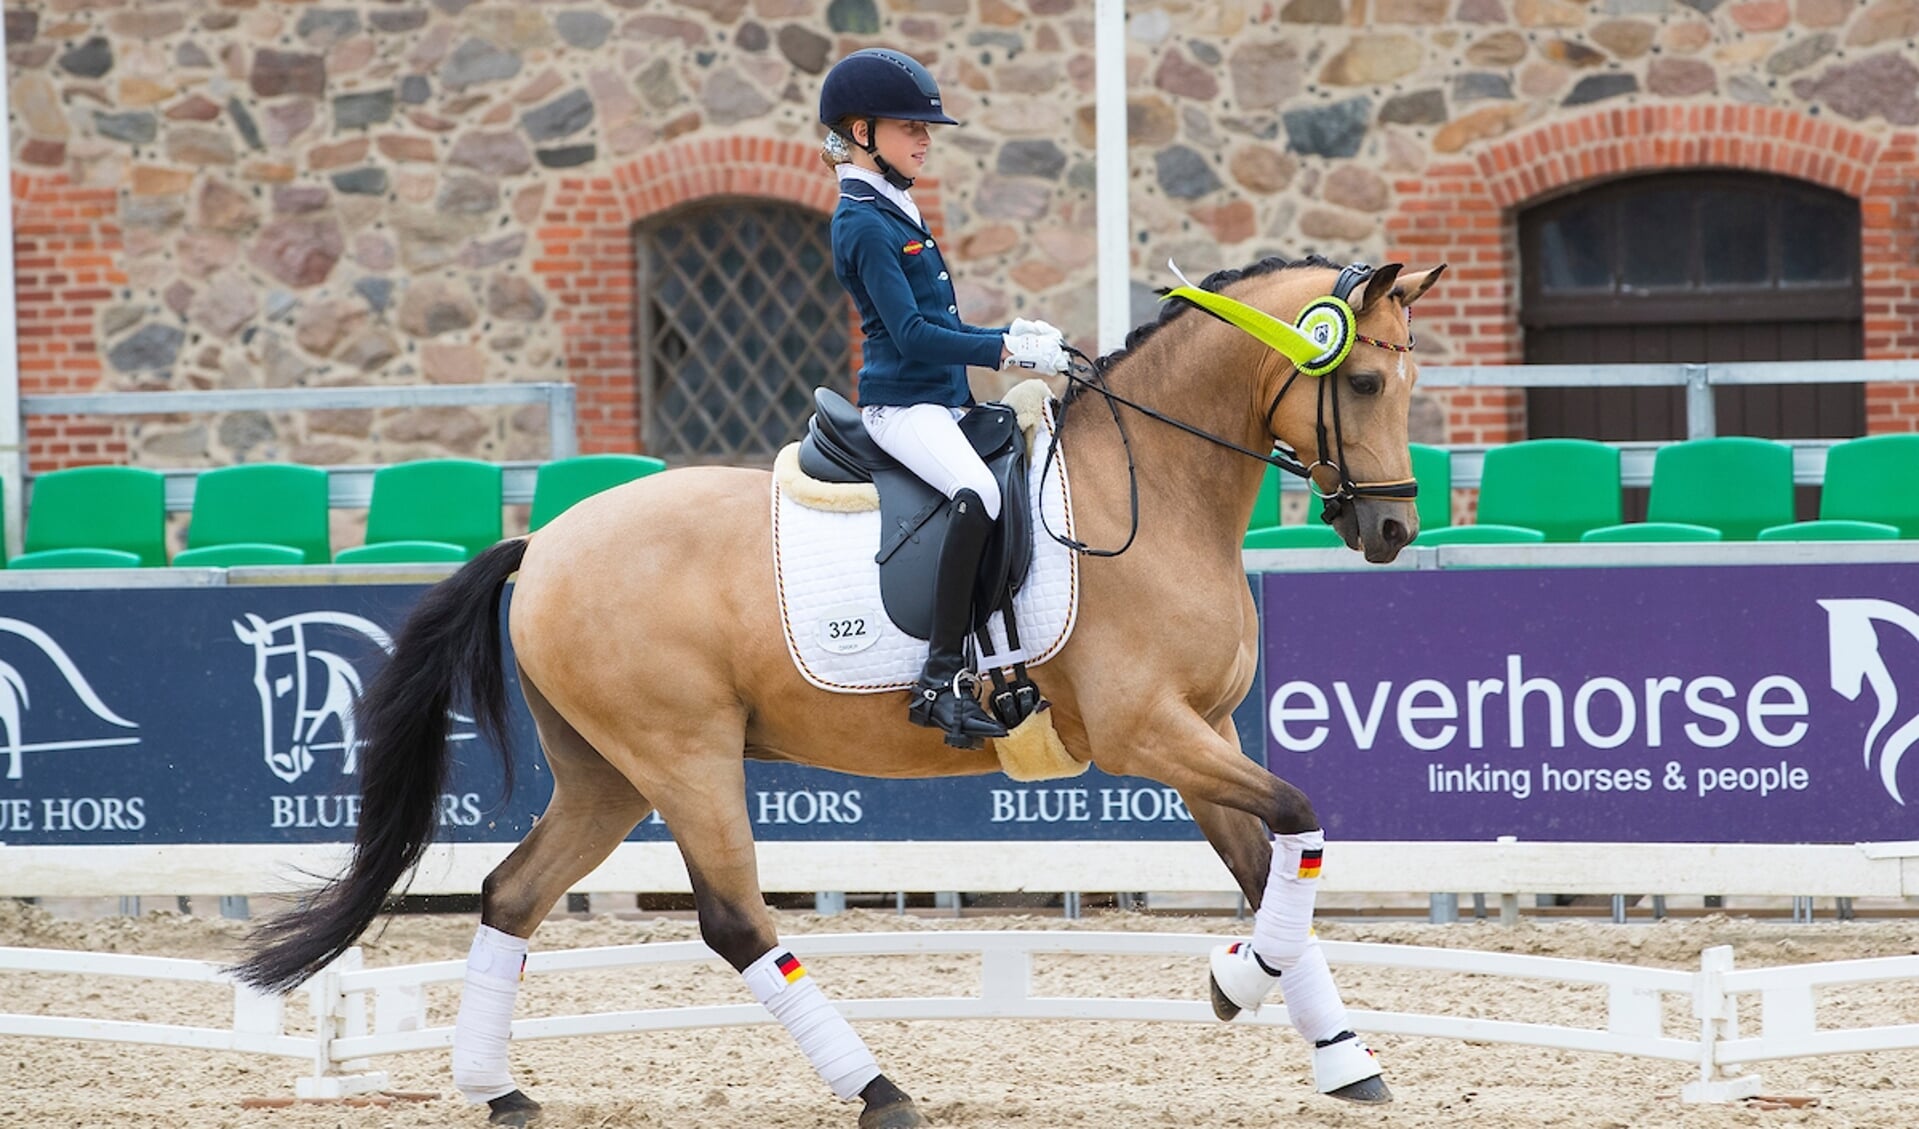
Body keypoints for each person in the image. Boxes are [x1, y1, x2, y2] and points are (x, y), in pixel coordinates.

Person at [819, 47, 1069, 747]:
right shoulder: (862, 221)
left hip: (942, 399)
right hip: (902, 406)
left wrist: (1009, 331)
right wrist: (1005, 349)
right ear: (862, 131)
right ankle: (936, 678)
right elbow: (912, 333)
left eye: (925, 129)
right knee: (976, 494)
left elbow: (943, 322)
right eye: (909, 127)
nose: (925, 139)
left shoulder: (894, 206)